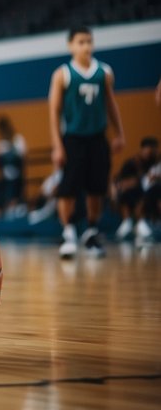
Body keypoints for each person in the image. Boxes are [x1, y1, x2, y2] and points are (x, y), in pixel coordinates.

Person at [48, 25, 125, 258]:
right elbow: (53, 111)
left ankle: (91, 231)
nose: (86, 46)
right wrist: (57, 145)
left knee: (96, 187)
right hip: (72, 138)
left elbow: (111, 104)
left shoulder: (104, 72)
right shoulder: (63, 74)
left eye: (89, 41)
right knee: (68, 189)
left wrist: (120, 133)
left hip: (97, 137)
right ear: (71, 45)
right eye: (81, 42)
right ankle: (68, 231)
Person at [113, 136, 157, 246]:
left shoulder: (155, 162)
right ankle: (130, 222)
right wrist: (134, 181)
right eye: (149, 149)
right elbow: (120, 183)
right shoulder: (131, 163)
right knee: (128, 193)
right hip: (132, 193)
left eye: (154, 150)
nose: (151, 152)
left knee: (149, 193)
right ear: (143, 149)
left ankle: (139, 224)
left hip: (151, 192)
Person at [0, 115, 27, 218]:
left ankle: (13, 205)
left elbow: (23, 160)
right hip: (4, 178)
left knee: (13, 182)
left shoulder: (18, 140)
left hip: (17, 176)